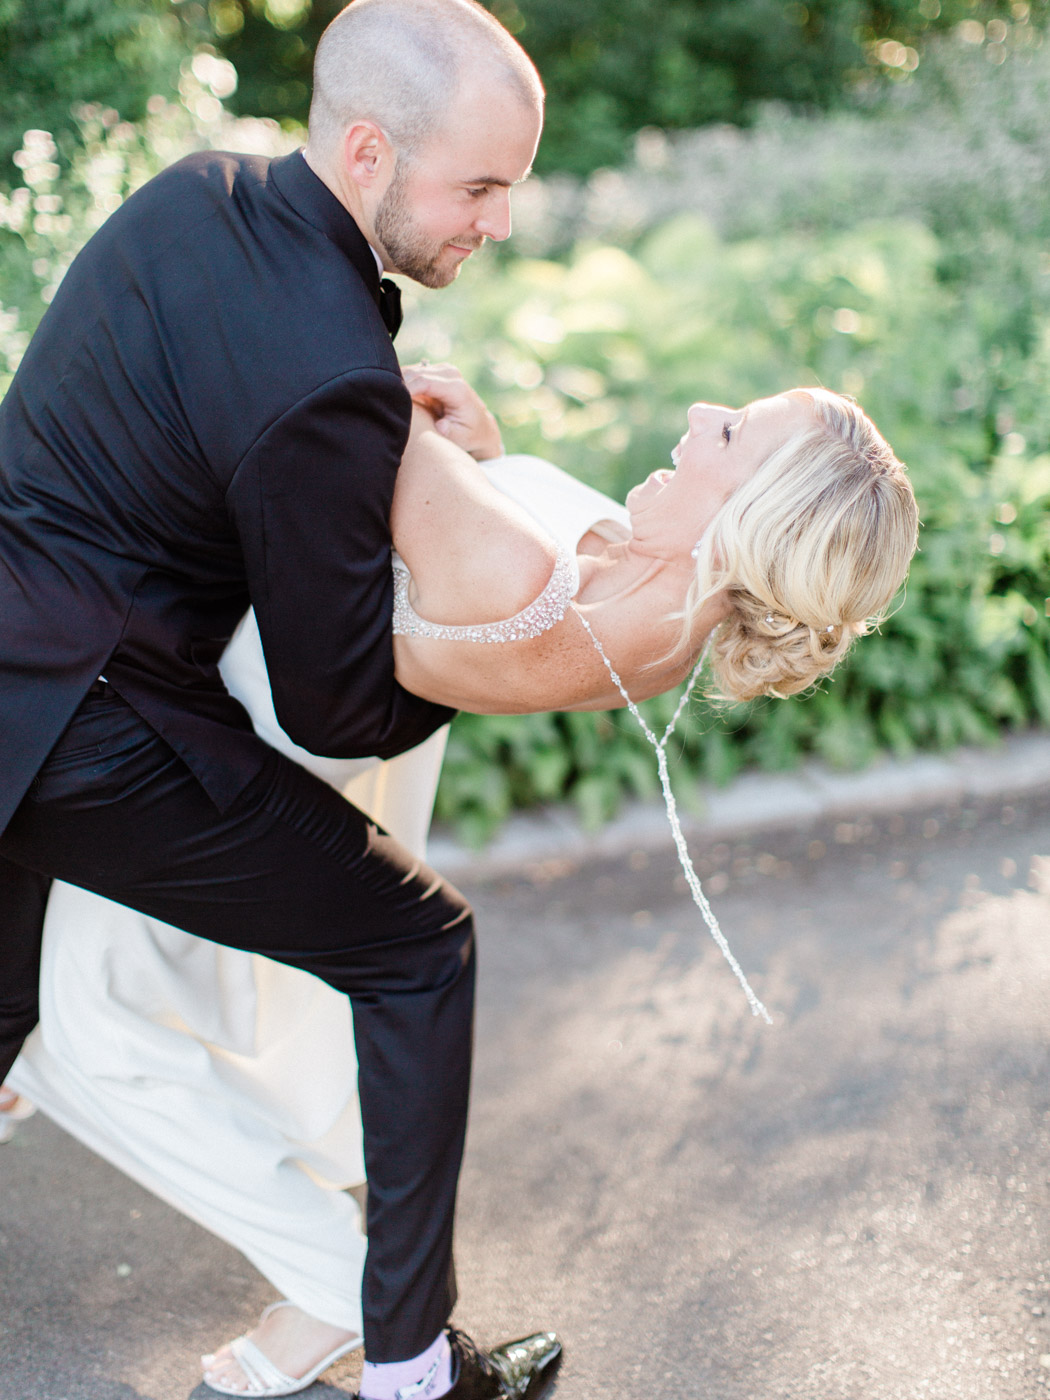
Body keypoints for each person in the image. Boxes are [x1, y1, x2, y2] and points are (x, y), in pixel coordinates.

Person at [4, 373, 919, 1394]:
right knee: (90, 1014)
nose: (703, 412)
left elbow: (350, 409)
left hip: (208, 762)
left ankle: (353, 1306)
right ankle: (359, 1313)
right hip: (229, 723)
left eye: (735, 429)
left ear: (755, 514)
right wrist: (481, 462)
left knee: (82, 1032)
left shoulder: (528, 570)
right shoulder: (658, 602)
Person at [0, 0, 565, 1397]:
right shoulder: (325, 374)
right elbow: (336, 710)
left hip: (19, 657)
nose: (498, 220)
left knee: (3, 1019)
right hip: (85, 725)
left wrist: (377, 429)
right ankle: (411, 1371)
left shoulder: (196, 194)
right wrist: (488, 652)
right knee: (418, 948)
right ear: (369, 149)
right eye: (479, 186)